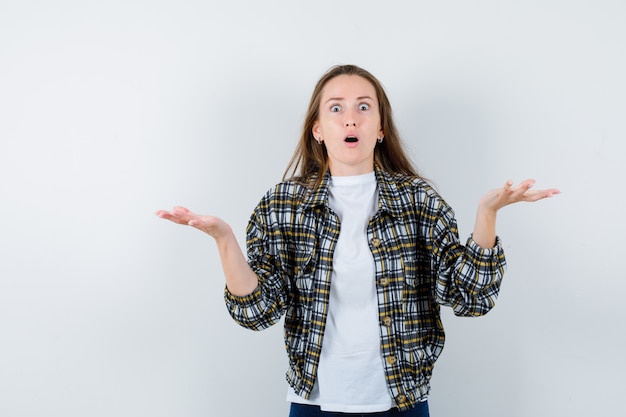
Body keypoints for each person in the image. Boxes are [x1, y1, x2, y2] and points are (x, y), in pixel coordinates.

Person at [156, 64, 559, 417]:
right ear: (317, 129)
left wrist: (487, 214)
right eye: (336, 108)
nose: (351, 119)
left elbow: (468, 298)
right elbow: (258, 311)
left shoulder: (418, 200)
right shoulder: (282, 204)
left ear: (380, 128)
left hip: (402, 402)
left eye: (364, 107)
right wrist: (224, 240)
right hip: (314, 403)